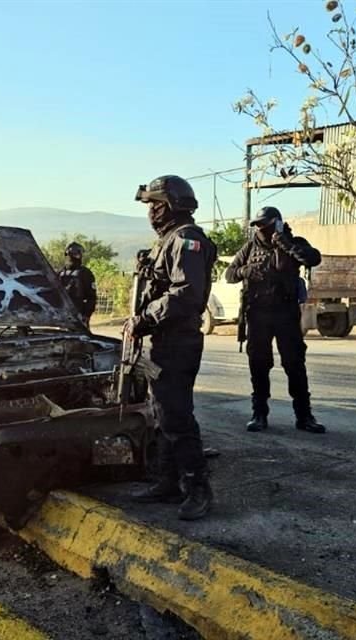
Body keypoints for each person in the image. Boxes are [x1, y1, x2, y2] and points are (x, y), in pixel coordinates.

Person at [127, 175, 217, 521]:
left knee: (177, 417)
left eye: (154, 204)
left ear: (171, 205)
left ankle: (198, 489)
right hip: (163, 340)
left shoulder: (186, 241)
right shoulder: (168, 241)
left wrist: (144, 318)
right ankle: (167, 482)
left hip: (178, 341)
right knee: (162, 414)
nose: (150, 211)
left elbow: (187, 294)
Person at [224, 206, 325, 433]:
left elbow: (313, 259)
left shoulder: (294, 242)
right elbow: (229, 274)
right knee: (259, 364)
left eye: (265, 224)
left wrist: (286, 245)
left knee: (294, 364)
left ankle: (304, 416)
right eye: (258, 225)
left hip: (286, 313)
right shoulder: (250, 248)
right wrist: (245, 271)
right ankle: (259, 414)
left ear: (277, 223)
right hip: (258, 314)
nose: (260, 229)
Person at [58, 242, 97, 324]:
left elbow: (91, 297)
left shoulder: (85, 273)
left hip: (78, 316)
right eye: (77, 253)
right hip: (62, 316)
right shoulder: (60, 273)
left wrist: (86, 315)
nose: (79, 256)